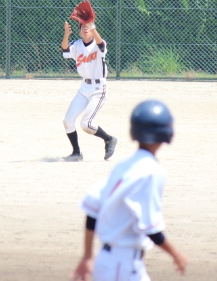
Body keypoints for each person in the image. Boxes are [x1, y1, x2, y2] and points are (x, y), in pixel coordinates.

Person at [70, 100, 188, 281]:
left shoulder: (123, 166)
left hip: (107, 261)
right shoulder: (153, 171)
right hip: (123, 267)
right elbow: (150, 228)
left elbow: (92, 206)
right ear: (166, 133)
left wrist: (87, 256)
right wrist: (175, 254)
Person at [61, 20, 117, 161]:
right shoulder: (76, 45)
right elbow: (65, 51)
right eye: (83, 27)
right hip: (84, 88)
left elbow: (101, 45)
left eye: (88, 27)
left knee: (86, 124)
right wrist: (66, 34)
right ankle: (76, 153)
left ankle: (109, 139)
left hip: (98, 89)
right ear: (79, 31)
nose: (85, 29)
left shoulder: (98, 43)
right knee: (68, 121)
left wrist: (93, 28)